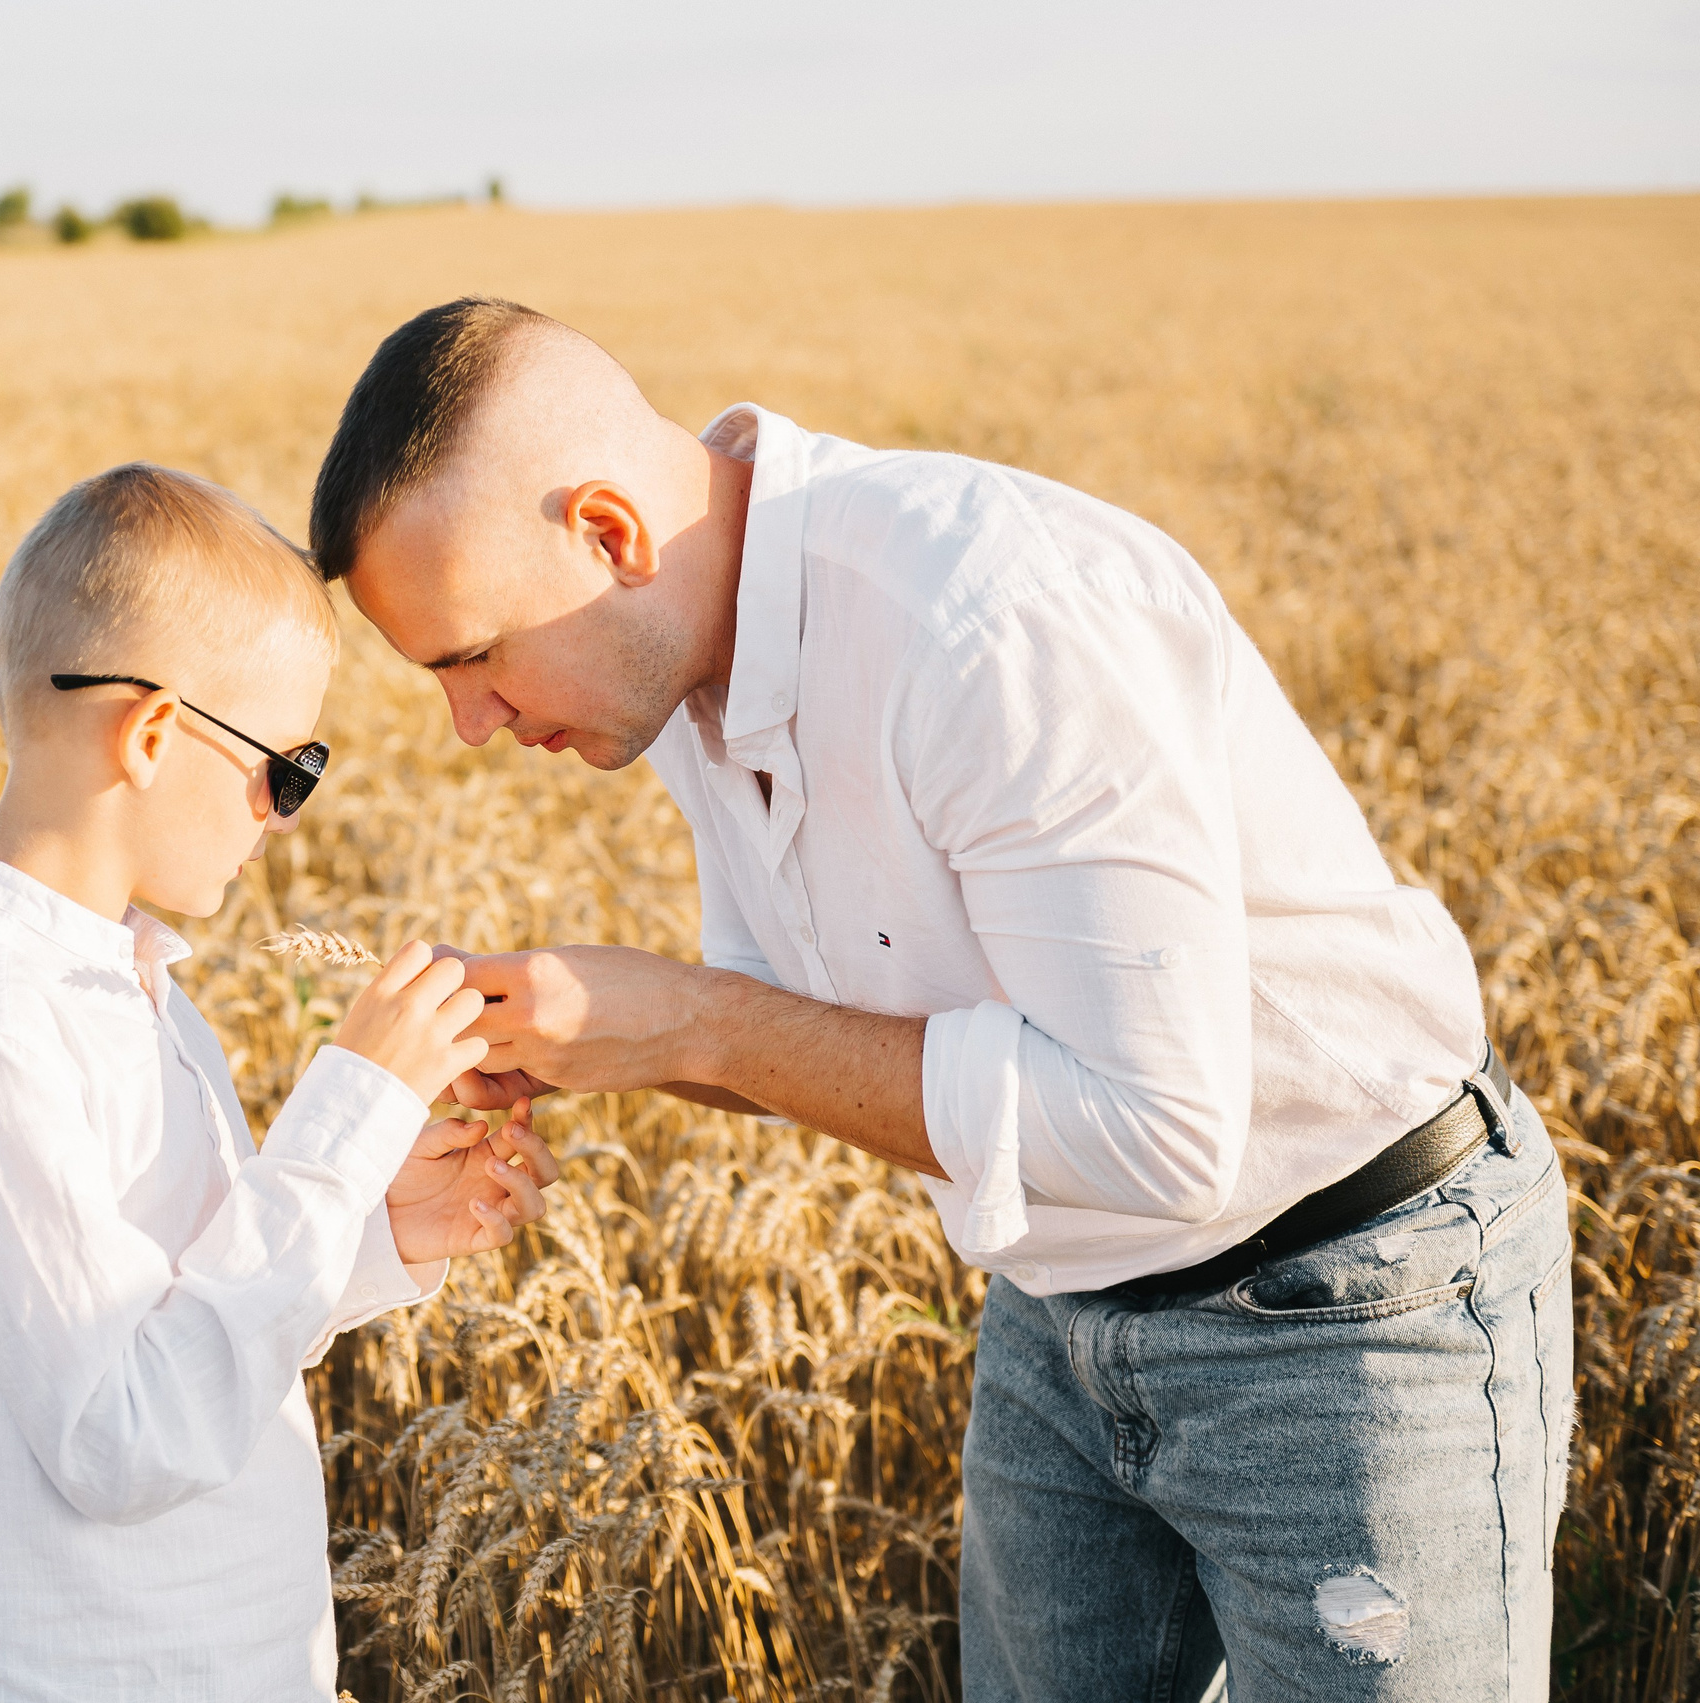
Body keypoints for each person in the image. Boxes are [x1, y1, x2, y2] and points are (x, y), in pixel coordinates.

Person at [305, 299, 1573, 1701]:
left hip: (1353, 1302)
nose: (469, 724)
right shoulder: (675, 665)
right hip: (1052, 1292)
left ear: (611, 535)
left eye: (472, 653)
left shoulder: (988, 622)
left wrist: (688, 1019)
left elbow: (1158, 1133)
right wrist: (603, 1037)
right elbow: (816, 1031)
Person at [0, 463, 558, 1702]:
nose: (284, 815)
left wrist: (371, 1228)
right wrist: (345, 1118)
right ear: (155, 734)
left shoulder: (135, 985)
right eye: (287, 766)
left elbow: (193, 1320)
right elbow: (121, 1432)